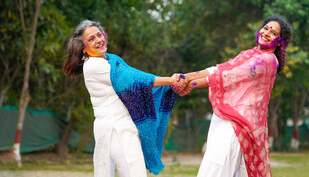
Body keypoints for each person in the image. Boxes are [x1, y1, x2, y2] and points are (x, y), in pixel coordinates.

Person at [62, 20, 186, 177]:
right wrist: (169, 81)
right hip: (116, 131)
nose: (98, 40)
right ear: (83, 49)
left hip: (118, 129)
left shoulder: (112, 61)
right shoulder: (94, 66)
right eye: (91, 39)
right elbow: (133, 80)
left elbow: (136, 75)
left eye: (99, 35)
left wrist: (170, 82)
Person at [178, 16, 292, 177]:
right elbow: (220, 69)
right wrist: (187, 77)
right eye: (265, 28)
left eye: (273, 33)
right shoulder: (249, 54)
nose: (266, 33)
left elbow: (228, 75)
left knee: (216, 170)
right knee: (213, 166)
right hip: (225, 117)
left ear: (279, 42)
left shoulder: (267, 60)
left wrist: (190, 84)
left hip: (239, 125)